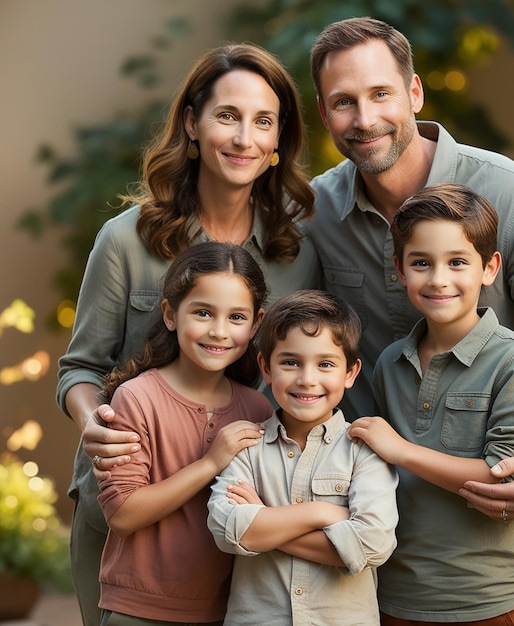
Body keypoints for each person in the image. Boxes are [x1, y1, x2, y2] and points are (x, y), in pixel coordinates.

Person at [304, 17, 514, 625]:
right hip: (371, 526)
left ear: (414, 92)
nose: (364, 119)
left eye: (380, 94)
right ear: (324, 112)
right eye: (344, 102)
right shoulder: (314, 213)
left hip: (497, 535)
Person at [56, 43, 318, 626]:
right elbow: (80, 367)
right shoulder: (126, 240)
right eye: (227, 115)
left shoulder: (298, 254)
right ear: (193, 124)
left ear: (279, 143)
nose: (244, 137)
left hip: (241, 515)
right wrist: (94, 423)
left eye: (264, 121)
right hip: (127, 520)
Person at [348, 184, 514, 625]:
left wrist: (403, 451)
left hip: (483, 598)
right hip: (394, 591)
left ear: (489, 267)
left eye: (457, 262)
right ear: (400, 271)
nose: (438, 279)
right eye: (421, 263)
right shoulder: (390, 362)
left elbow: (506, 481)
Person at [96, 240, 273, 625]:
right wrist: (211, 462)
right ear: (170, 314)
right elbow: (123, 515)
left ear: (256, 323)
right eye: (203, 313)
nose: (219, 331)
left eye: (237, 318)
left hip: (226, 610)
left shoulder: (258, 410)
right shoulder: (136, 398)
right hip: (138, 609)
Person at [207, 290, 398, 626]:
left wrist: (266, 520)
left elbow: (372, 545)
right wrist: (321, 513)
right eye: (291, 362)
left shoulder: (364, 450)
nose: (307, 379)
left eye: (325, 364)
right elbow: (228, 531)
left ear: (351, 373)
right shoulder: (246, 445)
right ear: (266, 367)